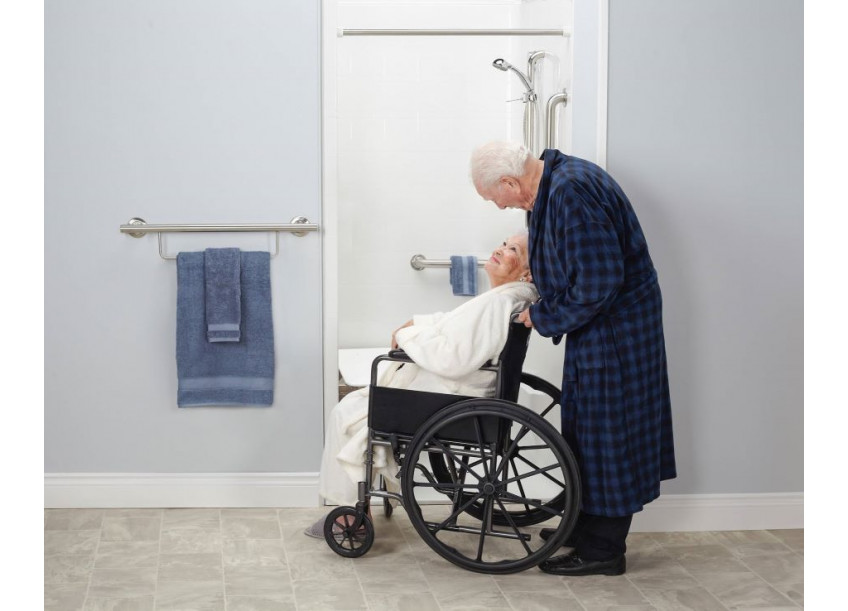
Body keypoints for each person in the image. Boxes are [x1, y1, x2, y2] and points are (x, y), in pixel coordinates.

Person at [470, 141, 677, 576]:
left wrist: (541, 315)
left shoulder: (571, 191)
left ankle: (603, 551)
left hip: (616, 330)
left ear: (509, 181)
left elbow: (600, 281)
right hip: (599, 326)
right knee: (585, 430)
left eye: (494, 197)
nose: (498, 206)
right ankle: (584, 529)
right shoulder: (551, 189)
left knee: (609, 435)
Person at [305, 233, 538, 537]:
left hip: (449, 398)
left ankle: (351, 516)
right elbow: (457, 327)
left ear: (527, 272)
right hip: (458, 392)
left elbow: (454, 356)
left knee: (346, 412)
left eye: (512, 250)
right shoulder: (509, 297)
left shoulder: (501, 301)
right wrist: (418, 324)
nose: (500, 249)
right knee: (354, 406)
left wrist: (406, 338)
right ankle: (357, 506)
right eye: (503, 243)